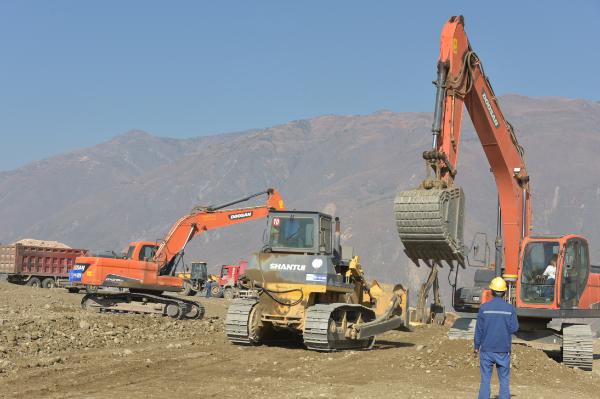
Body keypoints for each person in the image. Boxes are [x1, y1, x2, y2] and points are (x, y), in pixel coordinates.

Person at [474, 277, 519, 399]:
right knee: (504, 380)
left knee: (485, 380)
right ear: (504, 292)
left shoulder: (484, 308)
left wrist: (476, 346)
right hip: (503, 350)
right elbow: (514, 328)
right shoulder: (510, 309)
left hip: (486, 350)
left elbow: (479, 329)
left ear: (491, 291)